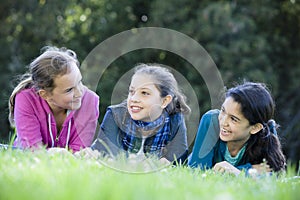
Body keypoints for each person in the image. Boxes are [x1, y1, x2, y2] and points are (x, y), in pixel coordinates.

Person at [85, 63, 191, 164]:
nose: (134, 99)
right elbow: (107, 154)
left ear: (164, 101)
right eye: (132, 92)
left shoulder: (174, 119)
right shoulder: (115, 115)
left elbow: (179, 160)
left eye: (144, 93)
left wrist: (161, 163)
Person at [8, 46, 99, 152]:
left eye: (80, 82)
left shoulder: (90, 101)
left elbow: (78, 152)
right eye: (69, 90)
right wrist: (52, 153)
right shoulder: (26, 99)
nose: (80, 93)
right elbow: (32, 150)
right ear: (45, 95)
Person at [188, 82, 286, 176]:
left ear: (255, 128)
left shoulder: (266, 131)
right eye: (223, 111)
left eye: (233, 119)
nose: (223, 122)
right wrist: (252, 170)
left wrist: (237, 172)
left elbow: (276, 174)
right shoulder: (211, 121)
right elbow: (197, 170)